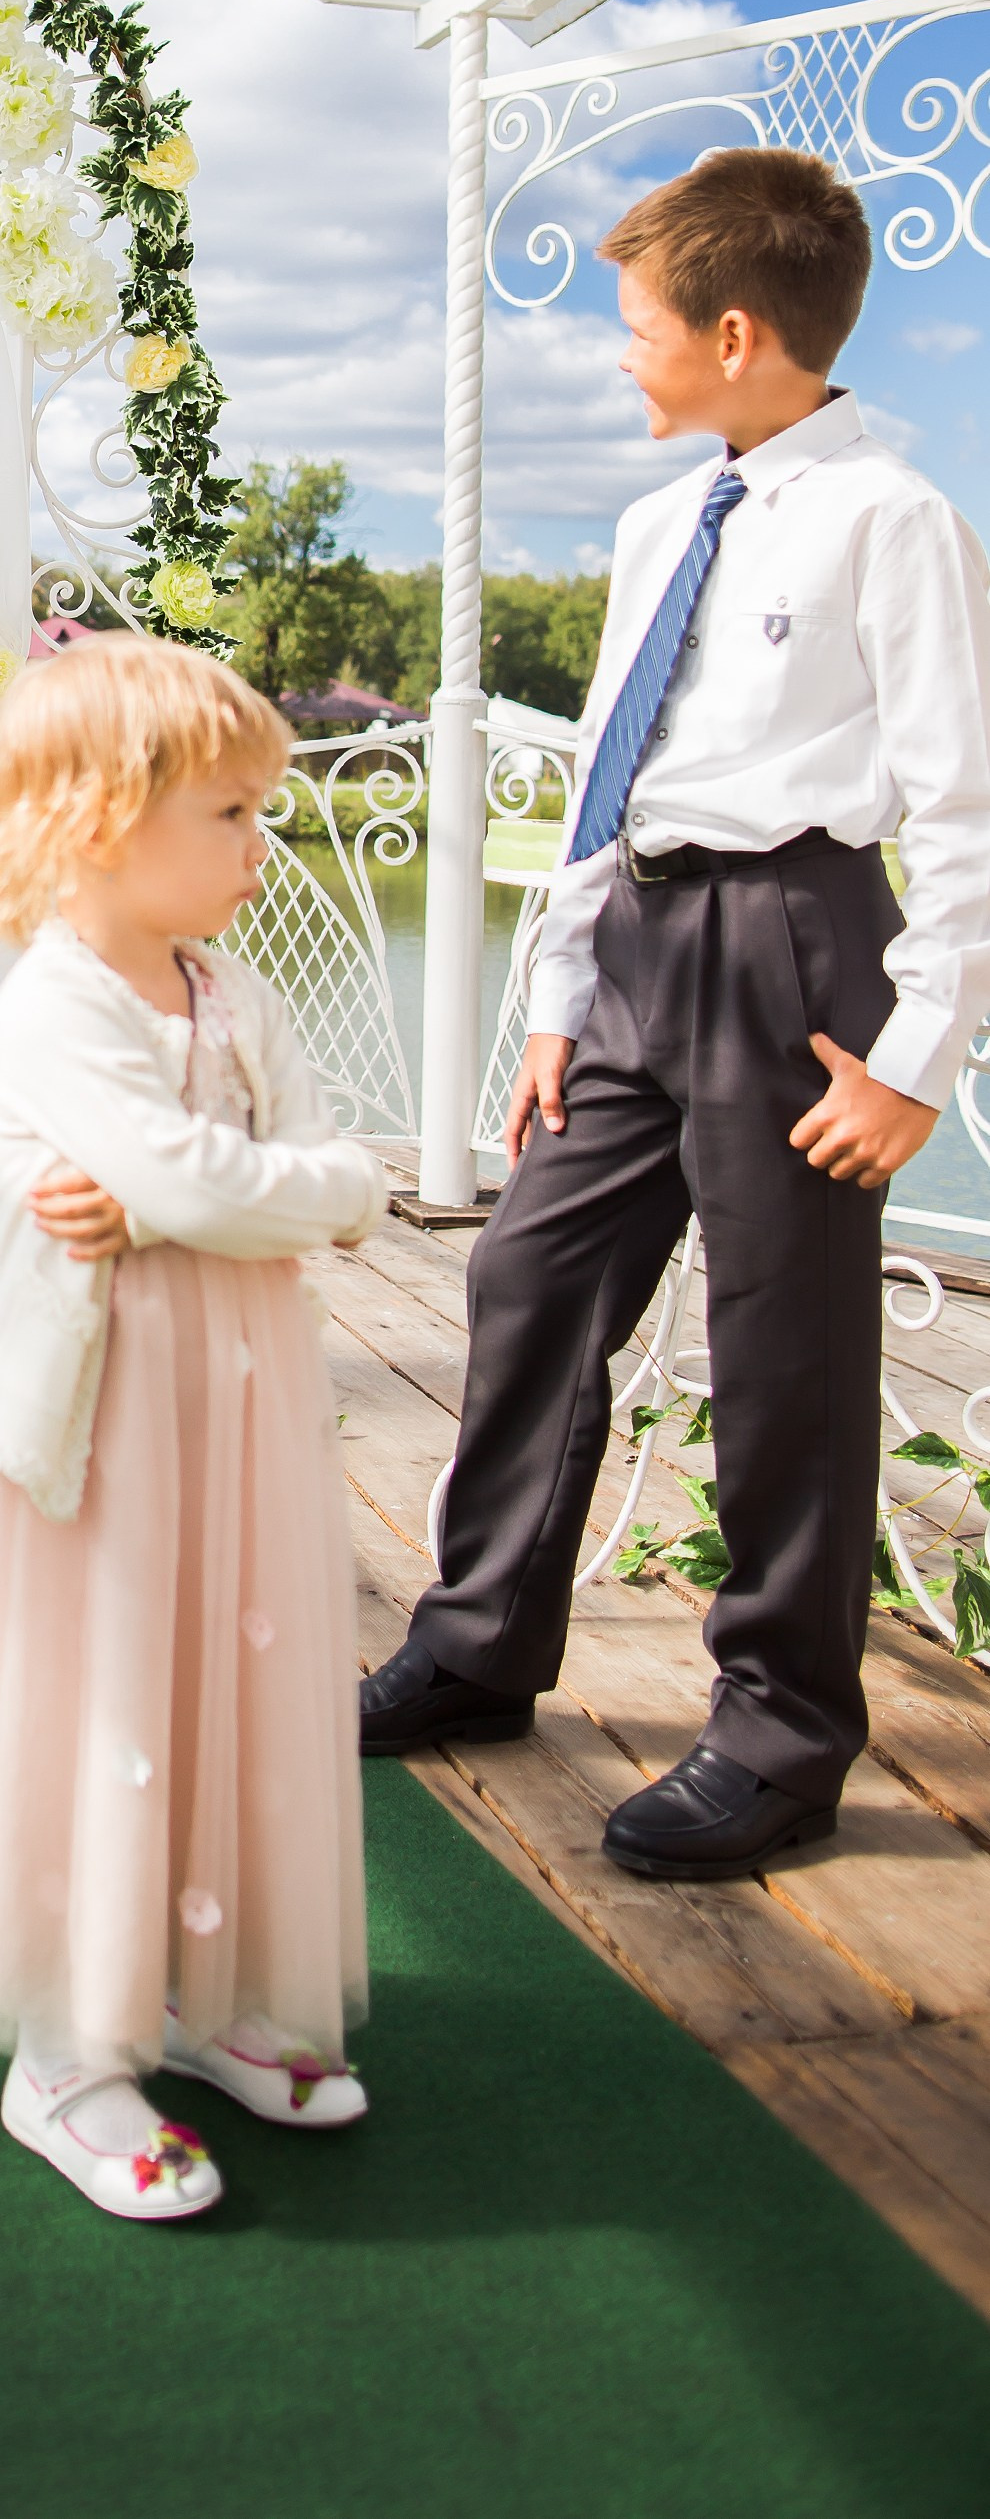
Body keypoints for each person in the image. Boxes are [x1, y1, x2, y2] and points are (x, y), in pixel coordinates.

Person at [364, 150, 990, 1877]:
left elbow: (961, 814)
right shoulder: (659, 522)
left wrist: (915, 1059)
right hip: (635, 943)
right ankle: (478, 1645)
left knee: (782, 1345)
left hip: (798, 948)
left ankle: (782, 1734)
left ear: (731, 330)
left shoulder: (896, 522)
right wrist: (557, 996)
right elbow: (601, 779)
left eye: (633, 329)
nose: (615, 359)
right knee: (525, 1267)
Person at [0, 640, 389, 2223]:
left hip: (239, 1399)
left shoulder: (237, 989)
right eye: (227, 810)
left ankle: (204, 1993)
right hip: (98, 1415)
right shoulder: (53, 1004)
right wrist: (321, 1197)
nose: (257, 843)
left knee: (226, 1672)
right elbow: (223, 1179)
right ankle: (70, 2048)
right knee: (109, 1686)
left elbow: (283, 1153)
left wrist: (284, 1188)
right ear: (97, 821)